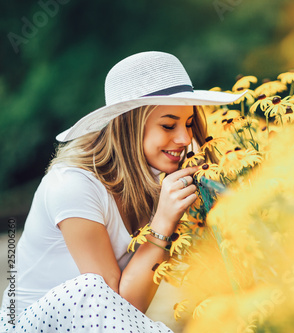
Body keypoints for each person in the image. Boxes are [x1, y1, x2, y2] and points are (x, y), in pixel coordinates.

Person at [0, 51, 245, 332]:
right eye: (168, 125)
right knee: (90, 287)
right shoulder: (72, 185)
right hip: (33, 324)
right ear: (129, 125)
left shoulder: (156, 180)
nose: (185, 138)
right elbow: (114, 310)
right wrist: (162, 224)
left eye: (189, 124)